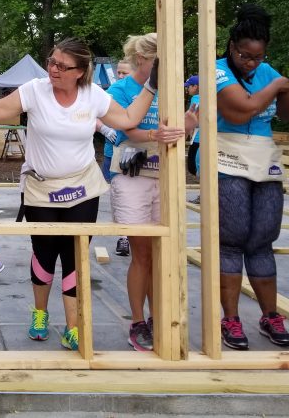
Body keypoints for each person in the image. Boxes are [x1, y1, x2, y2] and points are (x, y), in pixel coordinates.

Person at [0, 37, 161, 350]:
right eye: (52, 61)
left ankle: (74, 325)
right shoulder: (35, 89)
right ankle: (40, 313)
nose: (54, 69)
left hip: (82, 189)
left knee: (74, 257)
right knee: (44, 254)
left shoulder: (93, 96)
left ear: (81, 72)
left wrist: (152, 86)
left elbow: (129, 119)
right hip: (41, 188)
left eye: (63, 66)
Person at [210, 4, 289, 351]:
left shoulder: (268, 72)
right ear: (232, 46)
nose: (251, 63)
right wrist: (279, 84)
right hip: (226, 158)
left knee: (263, 238)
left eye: (258, 57)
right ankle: (230, 319)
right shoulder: (217, 71)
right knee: (232, 238)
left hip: (264, 161)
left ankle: (270, 315)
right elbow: (240, 109)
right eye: (245, 55)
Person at [107, 33, 189, 352]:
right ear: (143, 59)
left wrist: (189, 123)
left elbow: (177, 125)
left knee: (159, 253)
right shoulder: (121, 89)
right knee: (141, 253)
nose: (164, 68)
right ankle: (138, 321)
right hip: (133, 176)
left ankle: (158, 317)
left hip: (162, 175)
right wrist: (156, 133)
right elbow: (129, 128)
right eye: (160, 62)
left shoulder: (171, 88)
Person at [100, 58, 132, 256]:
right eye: (118, 72)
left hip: (134, 153)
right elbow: (93, 113)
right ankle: (123, 235)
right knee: (118, 195)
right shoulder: (111, 92)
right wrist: (104, 129)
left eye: (124, 73)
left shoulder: (139, 93)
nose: (120, 76)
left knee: (132, 195)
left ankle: (128, 237)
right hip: (111, 153)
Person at [185, 75, 201, 177]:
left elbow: (193, 116)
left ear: (195, 86)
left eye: (188, 86)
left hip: (198, 138)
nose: (187, 89)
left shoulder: (196, 98)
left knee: (192, 166)